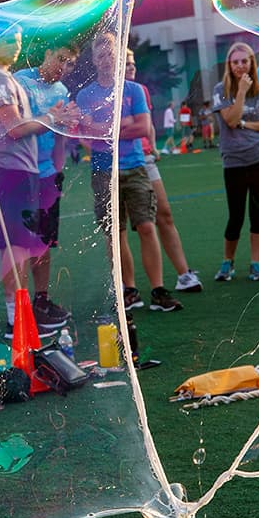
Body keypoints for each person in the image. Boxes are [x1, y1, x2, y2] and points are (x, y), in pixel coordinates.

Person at [0, 27, 79, 337]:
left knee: (25, 244)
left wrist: (53, 120)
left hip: (25, 171)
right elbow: (15, 128)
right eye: (9, 41)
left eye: (19, 42)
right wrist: (52, 119)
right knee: (16, 246)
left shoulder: (3, 77)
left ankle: (25, 312)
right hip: (11, 170)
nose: (15, 48)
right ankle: (17, 318)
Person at [77, 32, 182, 312]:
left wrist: (106, 130)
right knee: (116, 233)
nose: (106, 60)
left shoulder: (133, 90)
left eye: (110, 54)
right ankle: (129, 289)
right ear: (94, 60)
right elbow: (88, 135)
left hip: (135, 166)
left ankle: (158, 289)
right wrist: (121, 125)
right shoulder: (85, 95)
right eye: (101, 55)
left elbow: (143, 128)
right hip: (103, 170)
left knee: (147, 226)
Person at [124, 50, 202, 294]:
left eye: (132, 63)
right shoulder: (108, 94)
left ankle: (183, 274)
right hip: (120, 163)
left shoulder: (140, 90)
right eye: (125, 64)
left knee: (164, 214)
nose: (131, 67)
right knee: (124, 228)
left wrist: (152, 146)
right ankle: (128, 288)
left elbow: (145, 124)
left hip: (145, 159)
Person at [15, 42, 81, 328]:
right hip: (21, 173)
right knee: (21, 244)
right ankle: (18, 309)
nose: (63, 67)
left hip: (46, 174)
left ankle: (41, 300)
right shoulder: (21, 82)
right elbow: (17, 126)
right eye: (61, 59)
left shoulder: (62, 91)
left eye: (70, 64)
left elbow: (59, 138)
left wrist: (57, 172)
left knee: (43, 242)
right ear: (47, 54)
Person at [212, 41, 259, 281]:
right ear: (229, 64)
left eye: (244, 61)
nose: (240, 66)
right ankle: (228, 262)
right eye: (235, 62)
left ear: (251, 63)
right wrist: (240, 92)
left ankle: (255, 263)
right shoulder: (221, 89)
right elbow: (230, 120)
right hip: (234, 161)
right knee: (236, 214)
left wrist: (246, 124)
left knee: (257, 211)